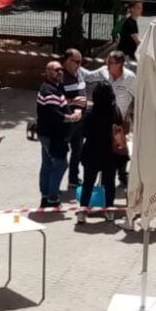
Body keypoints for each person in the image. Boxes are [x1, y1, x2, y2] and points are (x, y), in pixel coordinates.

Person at [83, 51, 136, 187]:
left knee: (120, 148)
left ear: (120, 64)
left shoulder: (130, 78)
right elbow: (88, 76)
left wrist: (132, 115)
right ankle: (102, 178)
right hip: (103, 119)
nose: (108, 65)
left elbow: (138, 96)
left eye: (111, 63)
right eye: (107, 61)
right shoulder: (103, 72)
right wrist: (76, 66)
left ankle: (122, 174)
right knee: (103, 148)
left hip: (120, 119)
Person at [36, 60, 84, 208]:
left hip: (47, 134)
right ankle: (52, 198)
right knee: (61, 164)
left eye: (61, 70)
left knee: (48, 164)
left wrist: (71, 103)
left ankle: (46, 196)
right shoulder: (49, 91)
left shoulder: (52, 88)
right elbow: (55, 115)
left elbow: (56, 105)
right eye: (56, 70)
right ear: (48, 72)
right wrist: (72, 117)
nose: (60, 72)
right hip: (53, 136)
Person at [76, 81, 123, 225]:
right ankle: (109, 211)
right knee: (109, 183)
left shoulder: (90, 112)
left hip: (92, 151)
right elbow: (120, 130)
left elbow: (84, 132)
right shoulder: (115, 112)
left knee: (88, 183)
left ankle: (82, 212)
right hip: (110, 153)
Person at [61, 48, 88, 188]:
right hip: (66, 121)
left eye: (80, 61)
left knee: (77, 151)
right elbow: (54, 100)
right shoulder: (60, 77)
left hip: (80, 120)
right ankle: (53, 186)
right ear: (66, 61)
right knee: (60, 153)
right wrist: (73, 102)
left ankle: (73, 179)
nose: (79, 64)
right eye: (76, 61)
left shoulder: (79, 73)